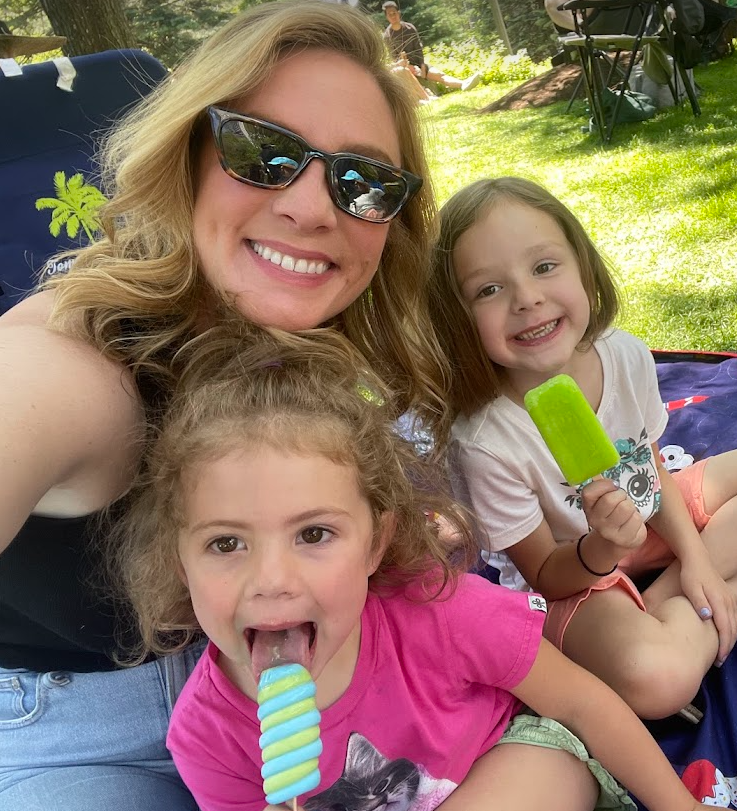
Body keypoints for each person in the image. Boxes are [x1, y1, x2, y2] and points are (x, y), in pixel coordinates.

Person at [0, 3, 450, 809]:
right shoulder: (72, 366)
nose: (315, 209)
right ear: (186, 156)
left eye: (363, 180)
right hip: (94, 747)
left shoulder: (304, 348)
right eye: (264, 152)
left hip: (299, 696)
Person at [112, 323, 712, 811]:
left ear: (376, 543)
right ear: (178, 561)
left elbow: (582, 703)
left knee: (540, 765)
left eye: (314, 534)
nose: (272, 580)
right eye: (225, 544)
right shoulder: (204, 738)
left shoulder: (439, 611)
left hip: (517, 762)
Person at [426, 177, 737, 721]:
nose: (527, 298)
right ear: (458, 320)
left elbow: (652, 470)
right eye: (489, 289)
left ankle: (684, 596)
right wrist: (601, 547)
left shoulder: (623, 356)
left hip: (650, 517)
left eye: (544, 266)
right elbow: (546, 574)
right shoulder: (484, 442)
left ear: (584, 268)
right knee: (658, 683)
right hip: (576, 579)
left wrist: (695, 561)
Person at [382, 1, 482, 93]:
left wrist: (422, 68)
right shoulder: (387, 35)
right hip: (404, 69)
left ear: (398, 13)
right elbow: (393, 57)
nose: (393, 16)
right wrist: (407, 67)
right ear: (387, 17)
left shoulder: (409, 28)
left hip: (419, 64)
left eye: (394, 13)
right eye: (389, 14)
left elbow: (419, 49)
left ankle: (463, 84)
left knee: (439, 75)